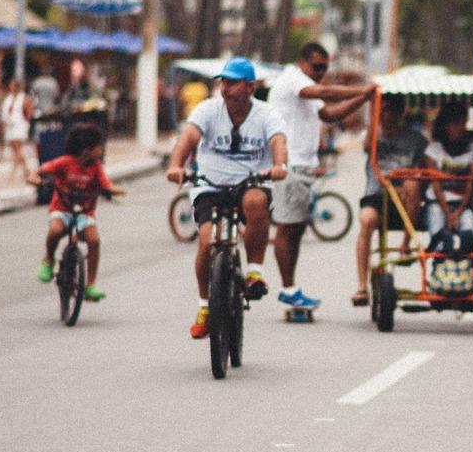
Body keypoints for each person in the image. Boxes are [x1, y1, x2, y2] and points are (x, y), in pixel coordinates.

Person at [164, 57, 289, 339]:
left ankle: (255, 271)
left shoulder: (267, 114)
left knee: (256, 202)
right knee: (207, 244)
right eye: (223, 83)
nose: (225, 89)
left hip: (250, 182)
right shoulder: (208, 110)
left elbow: (278, 142)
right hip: (210, 184)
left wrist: (279, 165)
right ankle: (205, 306)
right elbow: (186, 139)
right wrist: (176, 166)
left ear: (250, 87)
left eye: (232, 83)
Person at [267, 42, 375, 312]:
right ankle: (287, 288)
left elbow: (328, 114)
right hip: (288, 163)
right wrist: (362, 89)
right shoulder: (293, 80)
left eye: (325, 68)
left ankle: (290, 289)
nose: (320, 73)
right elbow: (325, 92)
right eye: (317, 67)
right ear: (303, 61)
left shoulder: (306, 84)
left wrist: (362, 100)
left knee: (297, 227)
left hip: (303, 164)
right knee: (286, 227)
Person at [29, 123, 125, 301]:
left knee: (94, 240)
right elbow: (40, 171)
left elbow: (106, 183)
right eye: (98, 146)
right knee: (55, 231)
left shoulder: (96, 167)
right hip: (62, 209)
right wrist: (36, 178)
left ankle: (90, 285)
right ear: (86, 150)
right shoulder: (65, 163)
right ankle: (48, 260)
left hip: (85, 213)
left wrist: (114, 189)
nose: (100, 149)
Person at [352, 94, 427, 306]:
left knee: (412, 182)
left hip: (406, 198)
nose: (387, 115)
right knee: (365, 221)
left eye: (391, 110)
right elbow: (368, 144)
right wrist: (373, 109)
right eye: (383, 110)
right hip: (377, 196)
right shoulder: (374, 136)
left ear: (401, 112)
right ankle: (361, 286)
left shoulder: (416, 140)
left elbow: (425, 169)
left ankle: (405, 245)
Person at [422, 101, 473, 253]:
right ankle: (441, 251)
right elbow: (436, 186)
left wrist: (458, 213)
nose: (459, 128)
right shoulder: (433, 150)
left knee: (468, 227)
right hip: (437, 202)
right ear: (445, 125)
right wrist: (449, 214)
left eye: (462, 123)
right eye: (455, 124)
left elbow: (470, 184)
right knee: (437, 227)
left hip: (463, 203)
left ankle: (466, 258)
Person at [1, 78, 34, 181]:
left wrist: (26, 120)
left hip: (20, 124)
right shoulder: (8, 98)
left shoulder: (23, 98)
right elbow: (4, 112)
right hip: (9, 125)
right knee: (15, 149)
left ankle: (13, 172)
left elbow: (30, 110)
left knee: (18, 148)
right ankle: (26, 169)